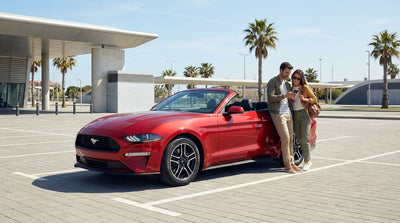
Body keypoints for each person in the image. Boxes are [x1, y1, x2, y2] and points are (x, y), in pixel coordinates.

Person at [267, 62, 302, 174]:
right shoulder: (273, 82)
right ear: (281, 70)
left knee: (291, 138)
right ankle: (287, 165)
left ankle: (292, 163)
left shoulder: (287, 84)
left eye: (289, 73)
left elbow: (287, 100)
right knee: (285, 137)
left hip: (288, 112)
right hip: (278, 113)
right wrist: (285, 95)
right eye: (286, 72)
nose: (287, 75)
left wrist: (291, 97)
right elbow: (270, 97)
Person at [291, 69, 318, 171]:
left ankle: (307, 161)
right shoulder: (291, 87)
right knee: (299, 138)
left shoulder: (305, 87)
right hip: (295, 114)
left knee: (305, 138)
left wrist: (305, 99)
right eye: (294, 77)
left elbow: (314, 99)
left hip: (304, 115)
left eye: (298, 78)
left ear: (301, 79)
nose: (295, 80)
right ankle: (306, 158)